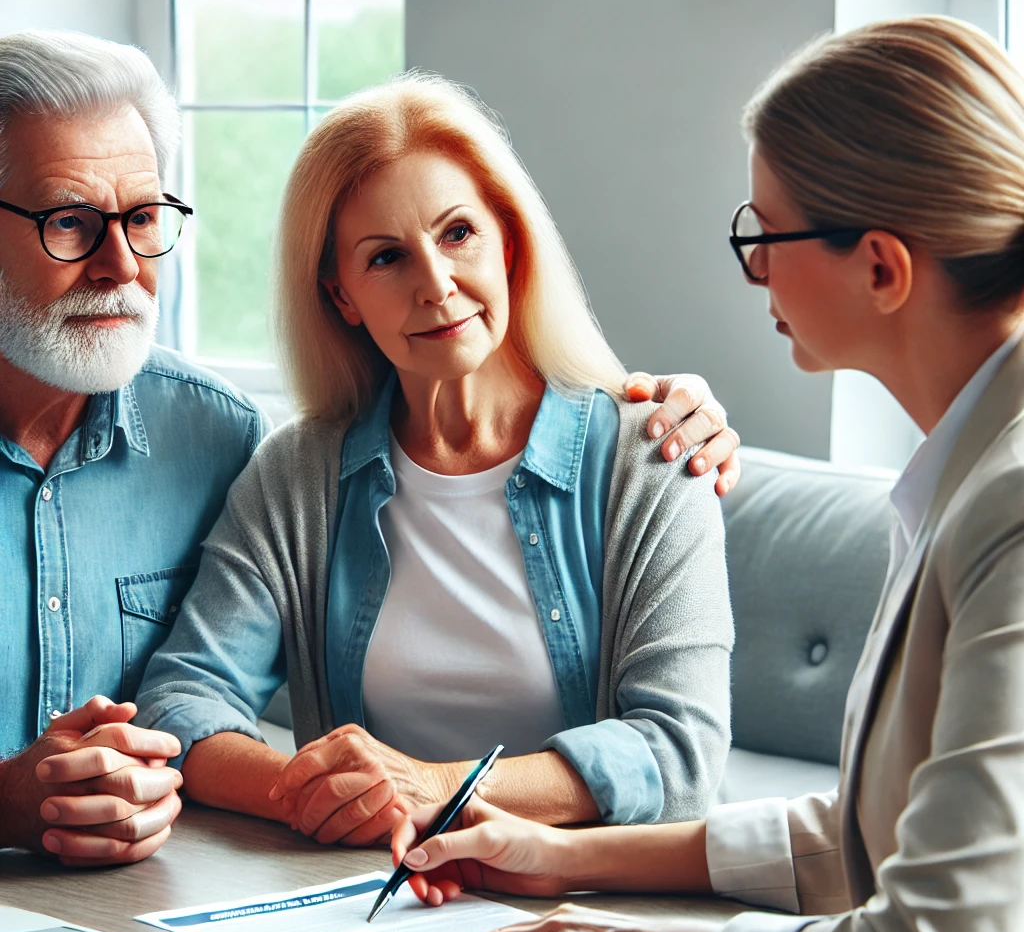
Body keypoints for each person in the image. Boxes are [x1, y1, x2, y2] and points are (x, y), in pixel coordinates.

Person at [390, 16, 1024, 932]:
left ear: (881, 268)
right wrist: (563, 856)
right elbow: (881, 831)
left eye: (765, 235)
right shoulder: (970, 464)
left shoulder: (1011, 508)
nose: (755, 269)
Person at [134, 73, 741, 845]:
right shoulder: (298, 476)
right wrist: (312, 793)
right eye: (386, 258)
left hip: (582, 901)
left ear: (509, 240)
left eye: (459, 233)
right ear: (342, 297)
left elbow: (680, 755)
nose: (437, 284)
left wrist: (433, 790)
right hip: (367, 894)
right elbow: (182, 697)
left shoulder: (651, 458)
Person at [0, 30, 268, 867]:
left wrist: (638, 420)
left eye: (144, 218)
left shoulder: (220, 439)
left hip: (150, 931)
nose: (121, 264)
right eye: (70, 223)